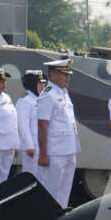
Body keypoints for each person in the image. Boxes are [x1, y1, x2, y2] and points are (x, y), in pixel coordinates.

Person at [36, 58, 80, 208]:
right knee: (51, 190)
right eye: (64, 74)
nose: (68, 78)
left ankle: (60, 218)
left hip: (69, 149)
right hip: (54, 151)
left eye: (68, 74)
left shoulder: (63, 93)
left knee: (64, 190)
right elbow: (42, 125)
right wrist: (43, 154)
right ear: (53, 75)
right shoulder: (48, 94)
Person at [17, 70, 46, 182]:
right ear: (32, 85)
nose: (43, 85)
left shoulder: (41, 100)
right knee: (30, 178)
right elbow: (23, 124)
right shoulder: (25, 101)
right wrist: (29, 146)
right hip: (32, 147)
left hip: (42, 146)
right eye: (40, 83)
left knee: (42, 179)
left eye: (44, 83)